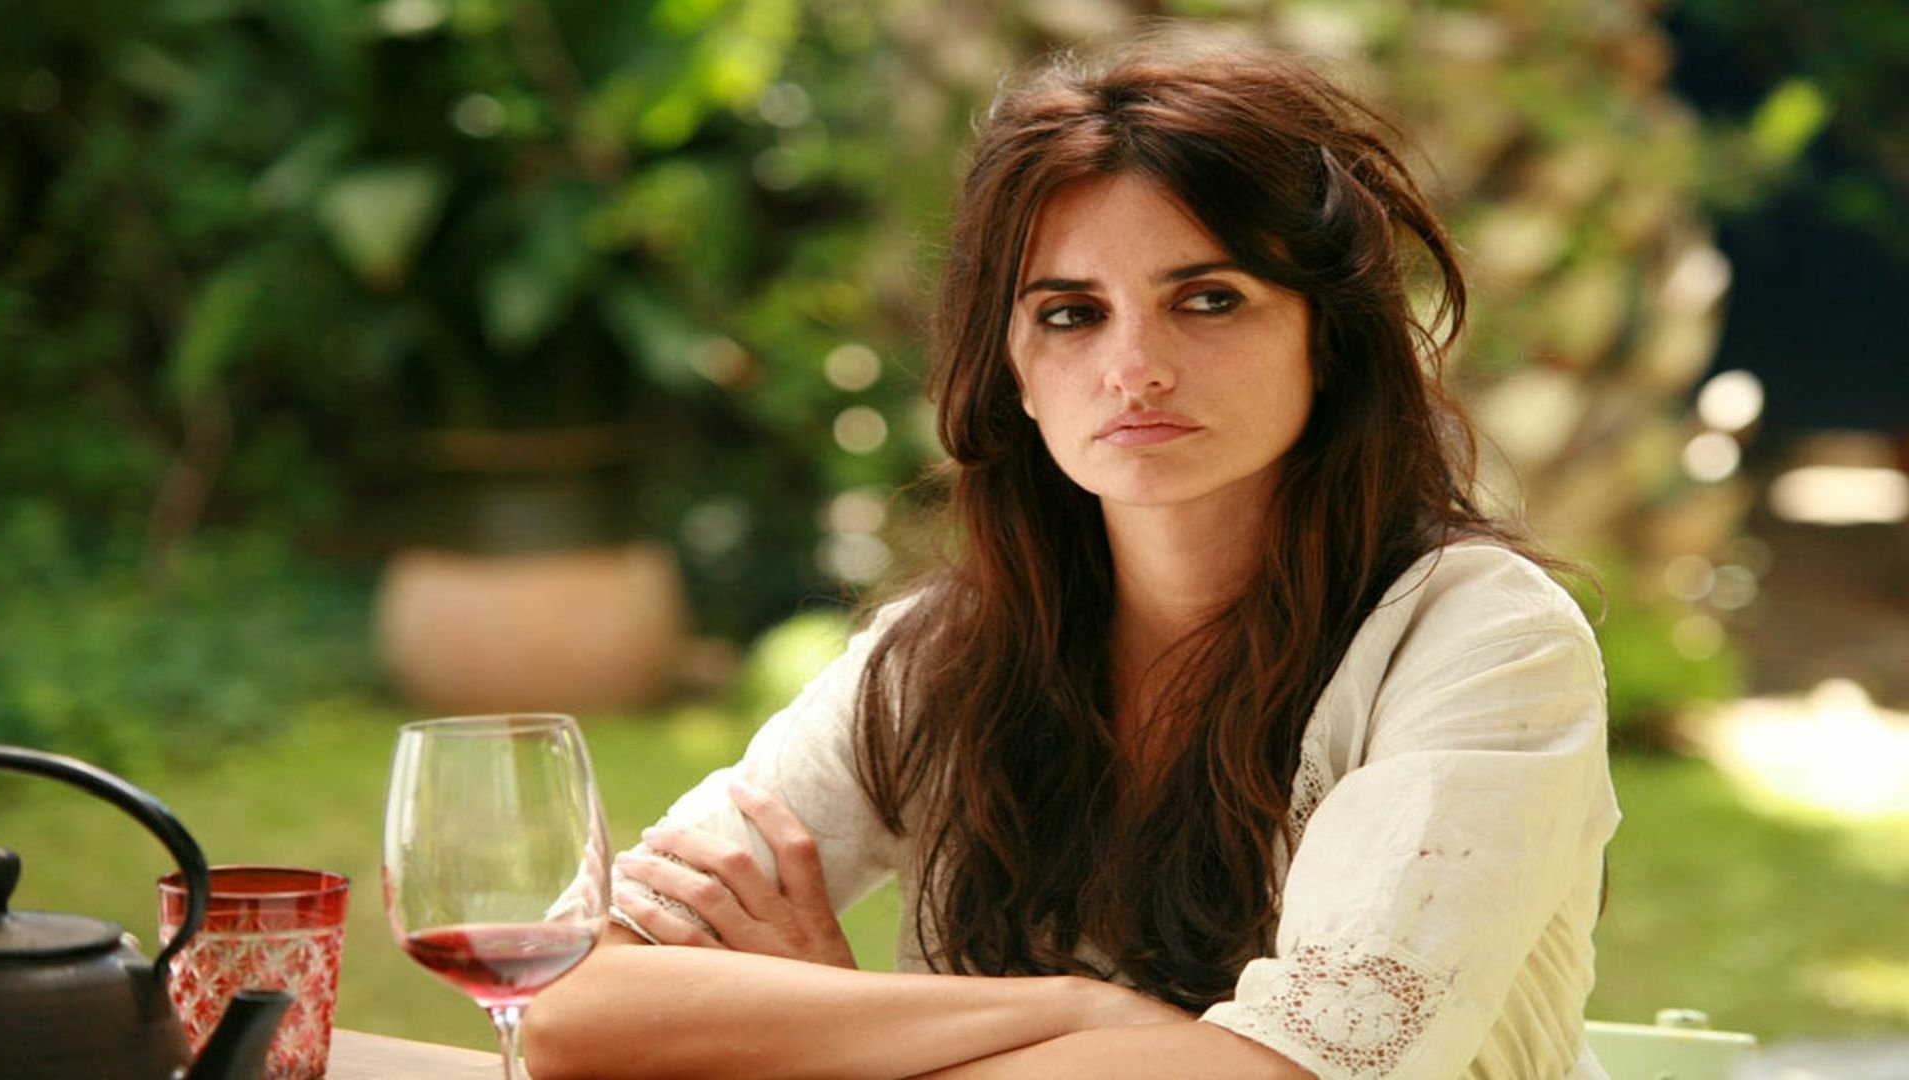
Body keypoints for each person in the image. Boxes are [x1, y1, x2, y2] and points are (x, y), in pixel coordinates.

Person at [525, 33, 1619, 1080]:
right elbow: (565, 1003)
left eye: (1208, 299)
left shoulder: (1480, 642)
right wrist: (1075, 1010)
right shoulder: (939, 656)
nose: (1134, 369)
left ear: (1325, 338)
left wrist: (819, 1031)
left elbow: (1283, 1074)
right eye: (1070, 314)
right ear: (1012, 368)